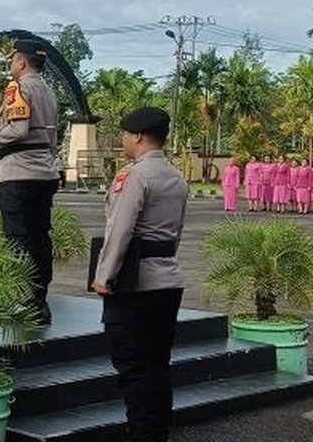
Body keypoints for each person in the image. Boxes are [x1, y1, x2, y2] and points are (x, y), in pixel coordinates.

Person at [91, 106, 188, 442]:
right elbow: (175, 234)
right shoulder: (176, 177)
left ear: (137, 136)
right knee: (158, 365)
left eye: (124, 134)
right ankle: (157, 431)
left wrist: (104, 276)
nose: (123, 140)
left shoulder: (133, 176)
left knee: (133, 369)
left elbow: (120, 230)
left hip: (135, 284)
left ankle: (143, 434)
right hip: (167, 279)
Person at [0, 38, 60, 325]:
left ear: (21, 62)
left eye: (12, 61)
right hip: (44, 172)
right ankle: (39, 299)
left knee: (18, 240)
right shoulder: (47, 90)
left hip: (20, 172)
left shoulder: (19, 87)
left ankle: (24, 299)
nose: (11, 66)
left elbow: (19, 130)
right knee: (39, 237)